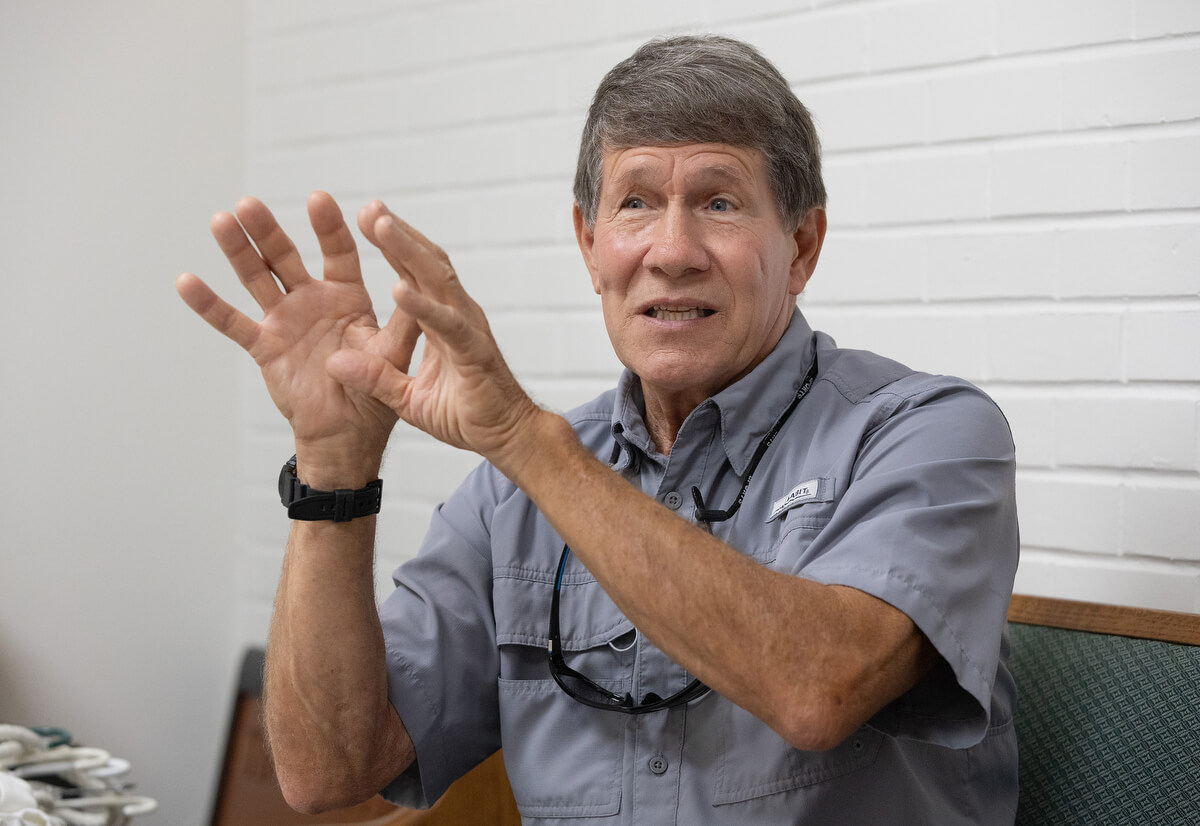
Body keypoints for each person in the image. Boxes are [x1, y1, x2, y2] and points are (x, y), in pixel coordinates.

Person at [178, 35, 1019, 825]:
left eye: (719, 202)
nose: (672, 249)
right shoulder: (513, 490)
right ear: (589, 244)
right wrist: (333, 470)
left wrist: (523, 439)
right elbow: (329, 770)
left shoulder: (928, 431)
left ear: (802, 246)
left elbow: (816, 689)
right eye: (636, 204)